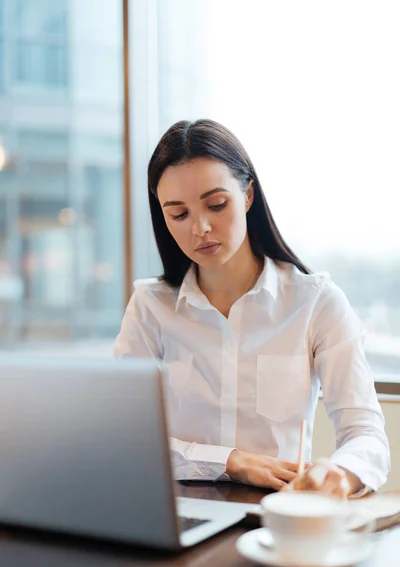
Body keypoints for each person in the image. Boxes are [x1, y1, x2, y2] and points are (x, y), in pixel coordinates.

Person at [114, 119, 390, 497]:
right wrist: (229, 462)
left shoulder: (315, 302)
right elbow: (126, 438)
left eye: (216, 205)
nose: (201, 228)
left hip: (277, 512)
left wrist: (339, 473)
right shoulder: (150, 307)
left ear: (247, 195)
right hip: (175, 513)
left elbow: (366, 435)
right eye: (179, 214)